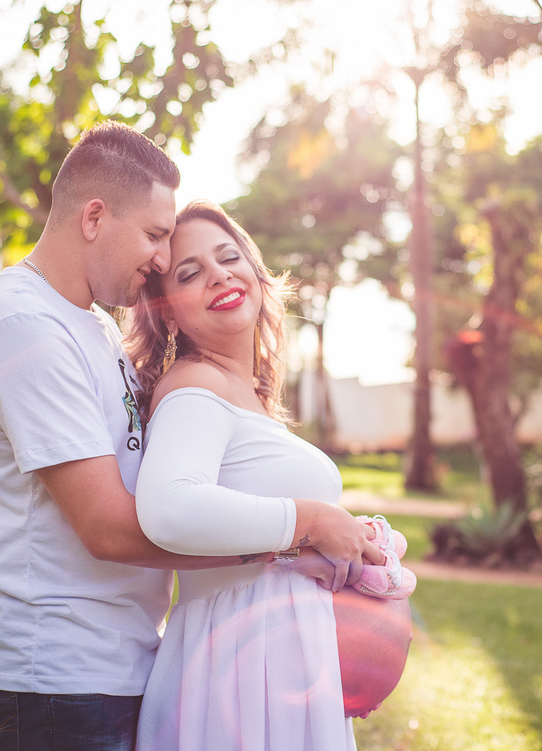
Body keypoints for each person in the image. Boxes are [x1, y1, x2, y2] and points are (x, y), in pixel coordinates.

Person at [0, 122, 383, 751]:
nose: (159, 258)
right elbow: (110, 527)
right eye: (156, 236)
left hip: (112, 660)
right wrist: (301, 531)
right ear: (94, 216)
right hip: (52, 673)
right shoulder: (26, 328)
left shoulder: (89, 328)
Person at [125, 200, 414, 751]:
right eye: (190, 273)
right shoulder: (193, 389)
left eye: (229, 257)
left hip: (278, 657)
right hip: (243, 665)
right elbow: (168, 508)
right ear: (167, 313)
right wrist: (309, 519)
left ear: (256, 275)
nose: (218, 275)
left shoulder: (245, 396)